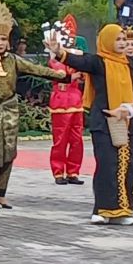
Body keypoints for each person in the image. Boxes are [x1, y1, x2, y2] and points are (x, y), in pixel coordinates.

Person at [0, 0, 66, 210]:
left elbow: (36, 69)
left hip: (10, 107)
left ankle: (2, 193)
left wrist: (59, 75)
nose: (0, 43)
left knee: (9, 152)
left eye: (3, 38)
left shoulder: (13, 60)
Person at [46, 24, 133, 225]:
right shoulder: (99, 62)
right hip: (104, 121)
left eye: (124, 40)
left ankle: (122, 210)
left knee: (127, 165)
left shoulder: (130, 64)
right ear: (106, 41)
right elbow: (80, 60)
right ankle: (103, 209)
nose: (122, 43)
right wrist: (60, 52)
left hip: (126, 121)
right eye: (118, 39)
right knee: (107, 164)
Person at [45, 18, 86, 186]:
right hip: (61, 101)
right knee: (60, 139)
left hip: (76, 101)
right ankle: (58, 171)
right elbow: (58, 75)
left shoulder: (75, 58)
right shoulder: (54, 61)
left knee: (77, 140)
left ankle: (73, 171)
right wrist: (73, 76)